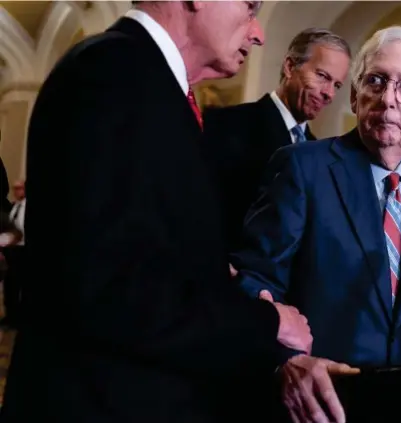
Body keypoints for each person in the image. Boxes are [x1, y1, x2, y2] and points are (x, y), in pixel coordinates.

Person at [0, 2, 316, 423]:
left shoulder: (147, 81)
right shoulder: (110, 74)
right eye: (250, 5)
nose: (258, 32)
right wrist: (264, 322)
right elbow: (107, 290)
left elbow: (140, 245)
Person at [232, 26, 401, 422]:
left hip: (400, 398)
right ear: (354, 94)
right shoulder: (303, 167)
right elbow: (255, 279)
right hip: (316, 398)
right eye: (377, 81)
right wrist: (285, 360)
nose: (389, 99)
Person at [203, 28, 351, 252]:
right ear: (290, 67)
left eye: (337, 85)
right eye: (322, 76)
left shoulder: (321, 155)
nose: (329, 93)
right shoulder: (226, 124)